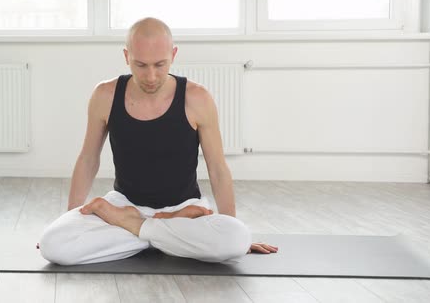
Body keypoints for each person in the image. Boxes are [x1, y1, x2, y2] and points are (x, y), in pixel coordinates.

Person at [38, 17, 278, 265]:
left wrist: (230, 227)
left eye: (160, 64)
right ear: (126, 56)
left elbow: (217, 169)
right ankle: (159, 229)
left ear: (173, 55)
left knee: (236, 239)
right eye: (140, 65)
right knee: (53, 245)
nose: (151, 76)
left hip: (185, 207)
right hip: (124, 204)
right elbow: (88, 159)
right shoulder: (105, 95)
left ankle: (134, 225)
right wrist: (68, 222)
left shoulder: (197, 98)